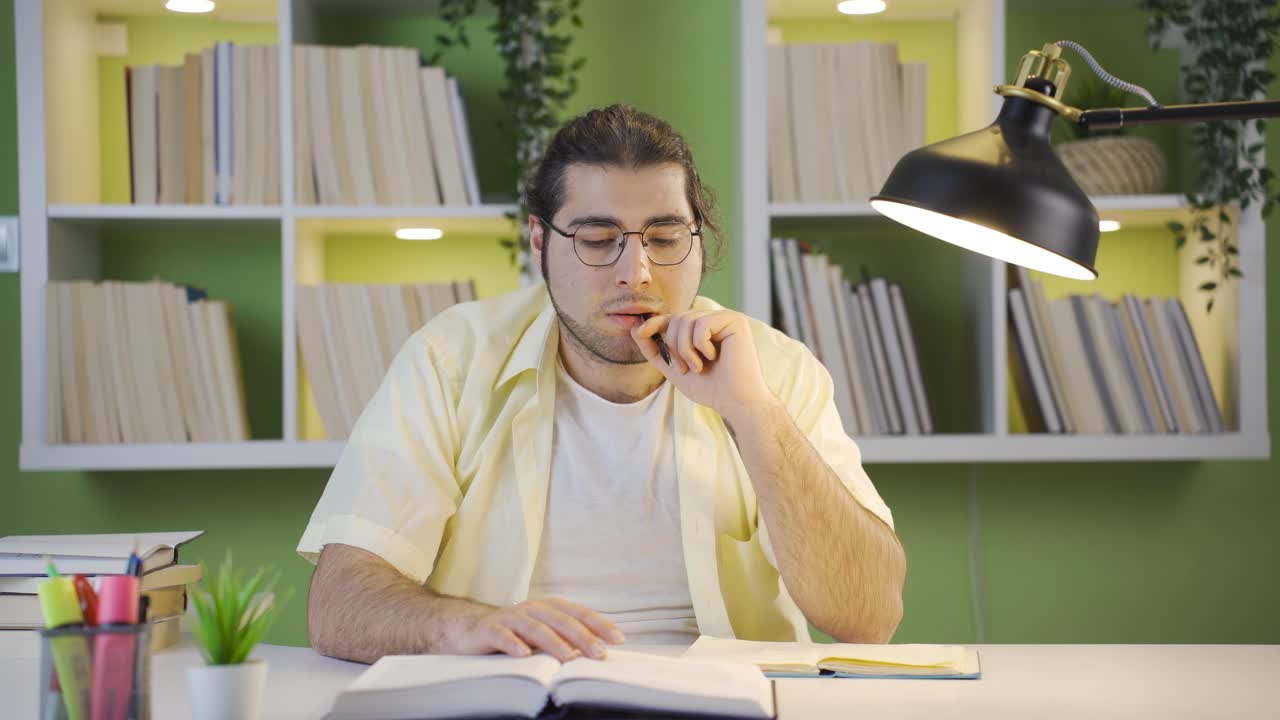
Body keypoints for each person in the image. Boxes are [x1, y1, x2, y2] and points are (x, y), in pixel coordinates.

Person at [298, 105, 906, 665]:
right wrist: (464, 627)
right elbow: (339, 605)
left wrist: (754, 414)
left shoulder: (775, 370)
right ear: (540, 243)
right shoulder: (450, 360)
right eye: (596, 241)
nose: (635, 272)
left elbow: (869, 617)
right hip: (517, 694)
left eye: (665, 239)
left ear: (701, 244)